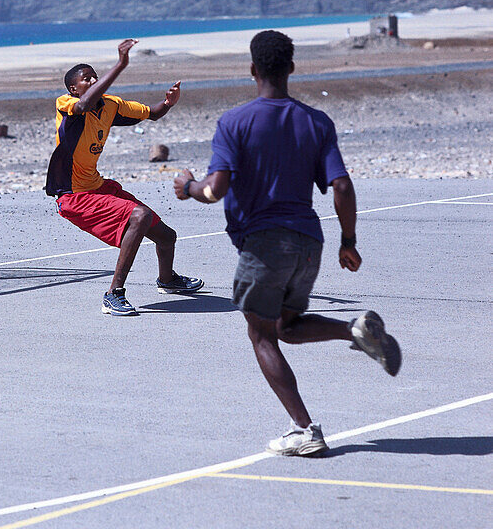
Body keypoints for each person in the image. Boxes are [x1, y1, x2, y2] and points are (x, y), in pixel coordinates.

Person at [173, 29, 401, 456]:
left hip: (263, 246)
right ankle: (354, 330)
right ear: (291, 68)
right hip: (308, 243)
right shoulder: (316, 122)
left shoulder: (235, 122)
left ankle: (304, 429)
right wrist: (347, 241)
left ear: (253, 70)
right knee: (285, 327)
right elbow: (343, 187)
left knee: (261, 336)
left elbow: (215, 190)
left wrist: (187, 186)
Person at [46, 38, 203, 317]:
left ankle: (167, 281)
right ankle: (113, 295)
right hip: (73, 196)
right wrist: (120, 64)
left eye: (95, 75)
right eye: (86, 79)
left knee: (167, 237)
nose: (93, 80)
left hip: (97, 187)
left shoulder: (110, 105)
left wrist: (168, 104)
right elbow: (83, 106)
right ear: (73, 88)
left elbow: (151, 114)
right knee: (139, 216)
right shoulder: (67, 105)